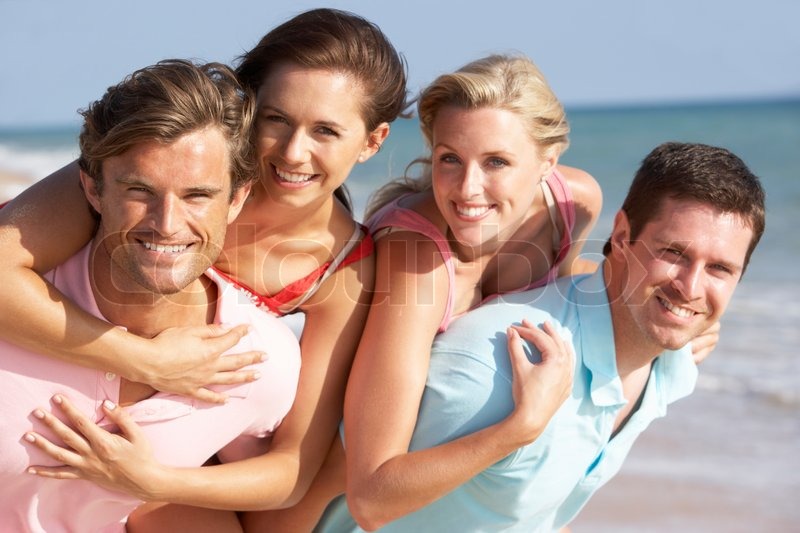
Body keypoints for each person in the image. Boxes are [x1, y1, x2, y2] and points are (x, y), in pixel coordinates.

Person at [0, 7, 407, 531]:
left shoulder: (342, 269)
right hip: (88, 369)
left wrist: (155, 480)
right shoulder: (160, 166)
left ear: (372, 141)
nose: (293, 151)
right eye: (275, 119)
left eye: (325, 130)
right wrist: (144, 360)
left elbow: (292, 467)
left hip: (194, 437)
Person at [317, 141, 766, 531]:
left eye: (720, 269)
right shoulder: (498, 367)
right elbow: (370, 504)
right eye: (673, 253)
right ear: (623, 235)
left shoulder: (669, 364)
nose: (690, 287)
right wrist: (518, 430)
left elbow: (531, 510)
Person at [0, 59, 302, 532]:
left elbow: (280, 479)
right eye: (140, 190)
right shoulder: (17, 298)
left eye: (198, 195)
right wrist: (142, 360)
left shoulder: (258, 360)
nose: (166, 223)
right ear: (92, 189)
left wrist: (158, 485)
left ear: (238, 198)